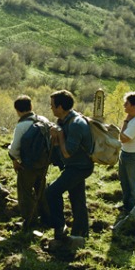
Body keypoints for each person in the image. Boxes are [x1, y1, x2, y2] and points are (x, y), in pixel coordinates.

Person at [45, 90, 93, 247]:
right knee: (77, 198)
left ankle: (60, 228)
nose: (50, 108)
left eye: (52, 105)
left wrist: (59, 136)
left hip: (80, 167)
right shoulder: (63, 121)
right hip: (72, 165)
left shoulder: (76, 124)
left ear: (60, 107)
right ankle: (81, 233)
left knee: (52, 191)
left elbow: (67, 153)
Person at [8, 95, 51, 229]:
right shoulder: (44, 120)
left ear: (17, 110)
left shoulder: (22, 125)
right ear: (31, 107)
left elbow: (14, 148)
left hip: (27, 164)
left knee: (25, 191)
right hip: (43, 162)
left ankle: (30, 220)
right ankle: (47, 217)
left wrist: (14, 160)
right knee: (42, 189)